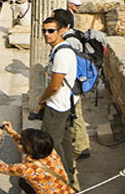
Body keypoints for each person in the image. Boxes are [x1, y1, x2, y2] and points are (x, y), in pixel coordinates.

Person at [35, 16, 78, 186]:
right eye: (44, 30)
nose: (46, 34)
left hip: (57, 105)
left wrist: (41, 100)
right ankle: (69, 170)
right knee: (64, 139)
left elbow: (54, 86)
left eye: (51, 31)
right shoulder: (59, 50)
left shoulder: (61, 54)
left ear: (60, 31)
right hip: (66, 103)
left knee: (50, 141)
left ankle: (62, 178)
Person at [0, 122, 75, 194]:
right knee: (23, 182)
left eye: (22, 143)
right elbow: (29, 145)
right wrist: (11, 132)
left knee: (22, 182)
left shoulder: (27, 169)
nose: (19, 143)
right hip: (66, 190)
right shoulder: (51, 152)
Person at [51, 8, 90, 161]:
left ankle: (82, 147)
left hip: (72, 84)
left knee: (76, 115)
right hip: (71, 83)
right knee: (73, 115)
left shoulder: (70, 41)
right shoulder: (71, 36)